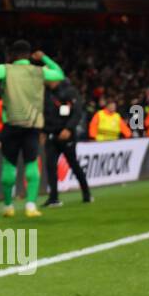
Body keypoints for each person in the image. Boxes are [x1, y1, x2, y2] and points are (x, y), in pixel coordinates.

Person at [0, 41, 64, 218]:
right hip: (32, 126)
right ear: (29, 55)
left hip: (12, 125)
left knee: (9, 166)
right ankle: (30, 206)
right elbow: (59, 74)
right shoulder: (39, 71)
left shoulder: (5, 69)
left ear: (12, 55)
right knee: (31, 164)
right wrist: (44, 57)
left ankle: (8, 206)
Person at [42, 75, 91, 207]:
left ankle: (87, 194)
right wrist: (44, 131)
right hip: (52, 134)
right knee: (50, 166)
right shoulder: (46, 93)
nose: (46, 80)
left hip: (66, 135)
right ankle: (53, 198)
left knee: (73, 164)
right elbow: (45, 113)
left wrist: (69, 128)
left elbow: (77, 112)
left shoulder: (69, 91)